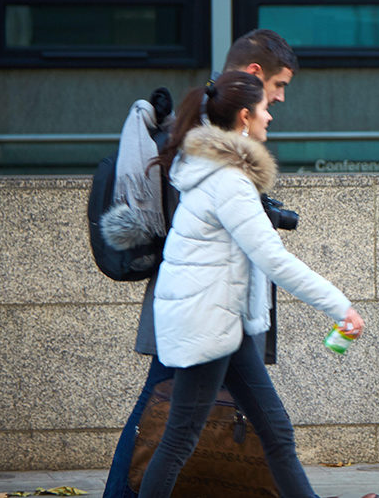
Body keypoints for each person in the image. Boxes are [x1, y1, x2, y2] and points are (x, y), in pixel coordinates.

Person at [138, 71, 364, 497]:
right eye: (265, 109)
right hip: (208, 323)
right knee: (180, 439)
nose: (269, 118)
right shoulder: (228, 182)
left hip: (226, 323)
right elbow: (273, 258)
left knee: (276, 432)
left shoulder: (213, 171)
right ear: (244, 117)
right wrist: (340, 306)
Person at [102, 29, 300, 498]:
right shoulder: (203, 134)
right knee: (169, 422)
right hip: (202, 307)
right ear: (254, 76)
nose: (280, 99)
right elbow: (192, 223)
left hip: (214, 307)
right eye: (279, 86)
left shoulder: (210, 130)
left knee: (244, 427)